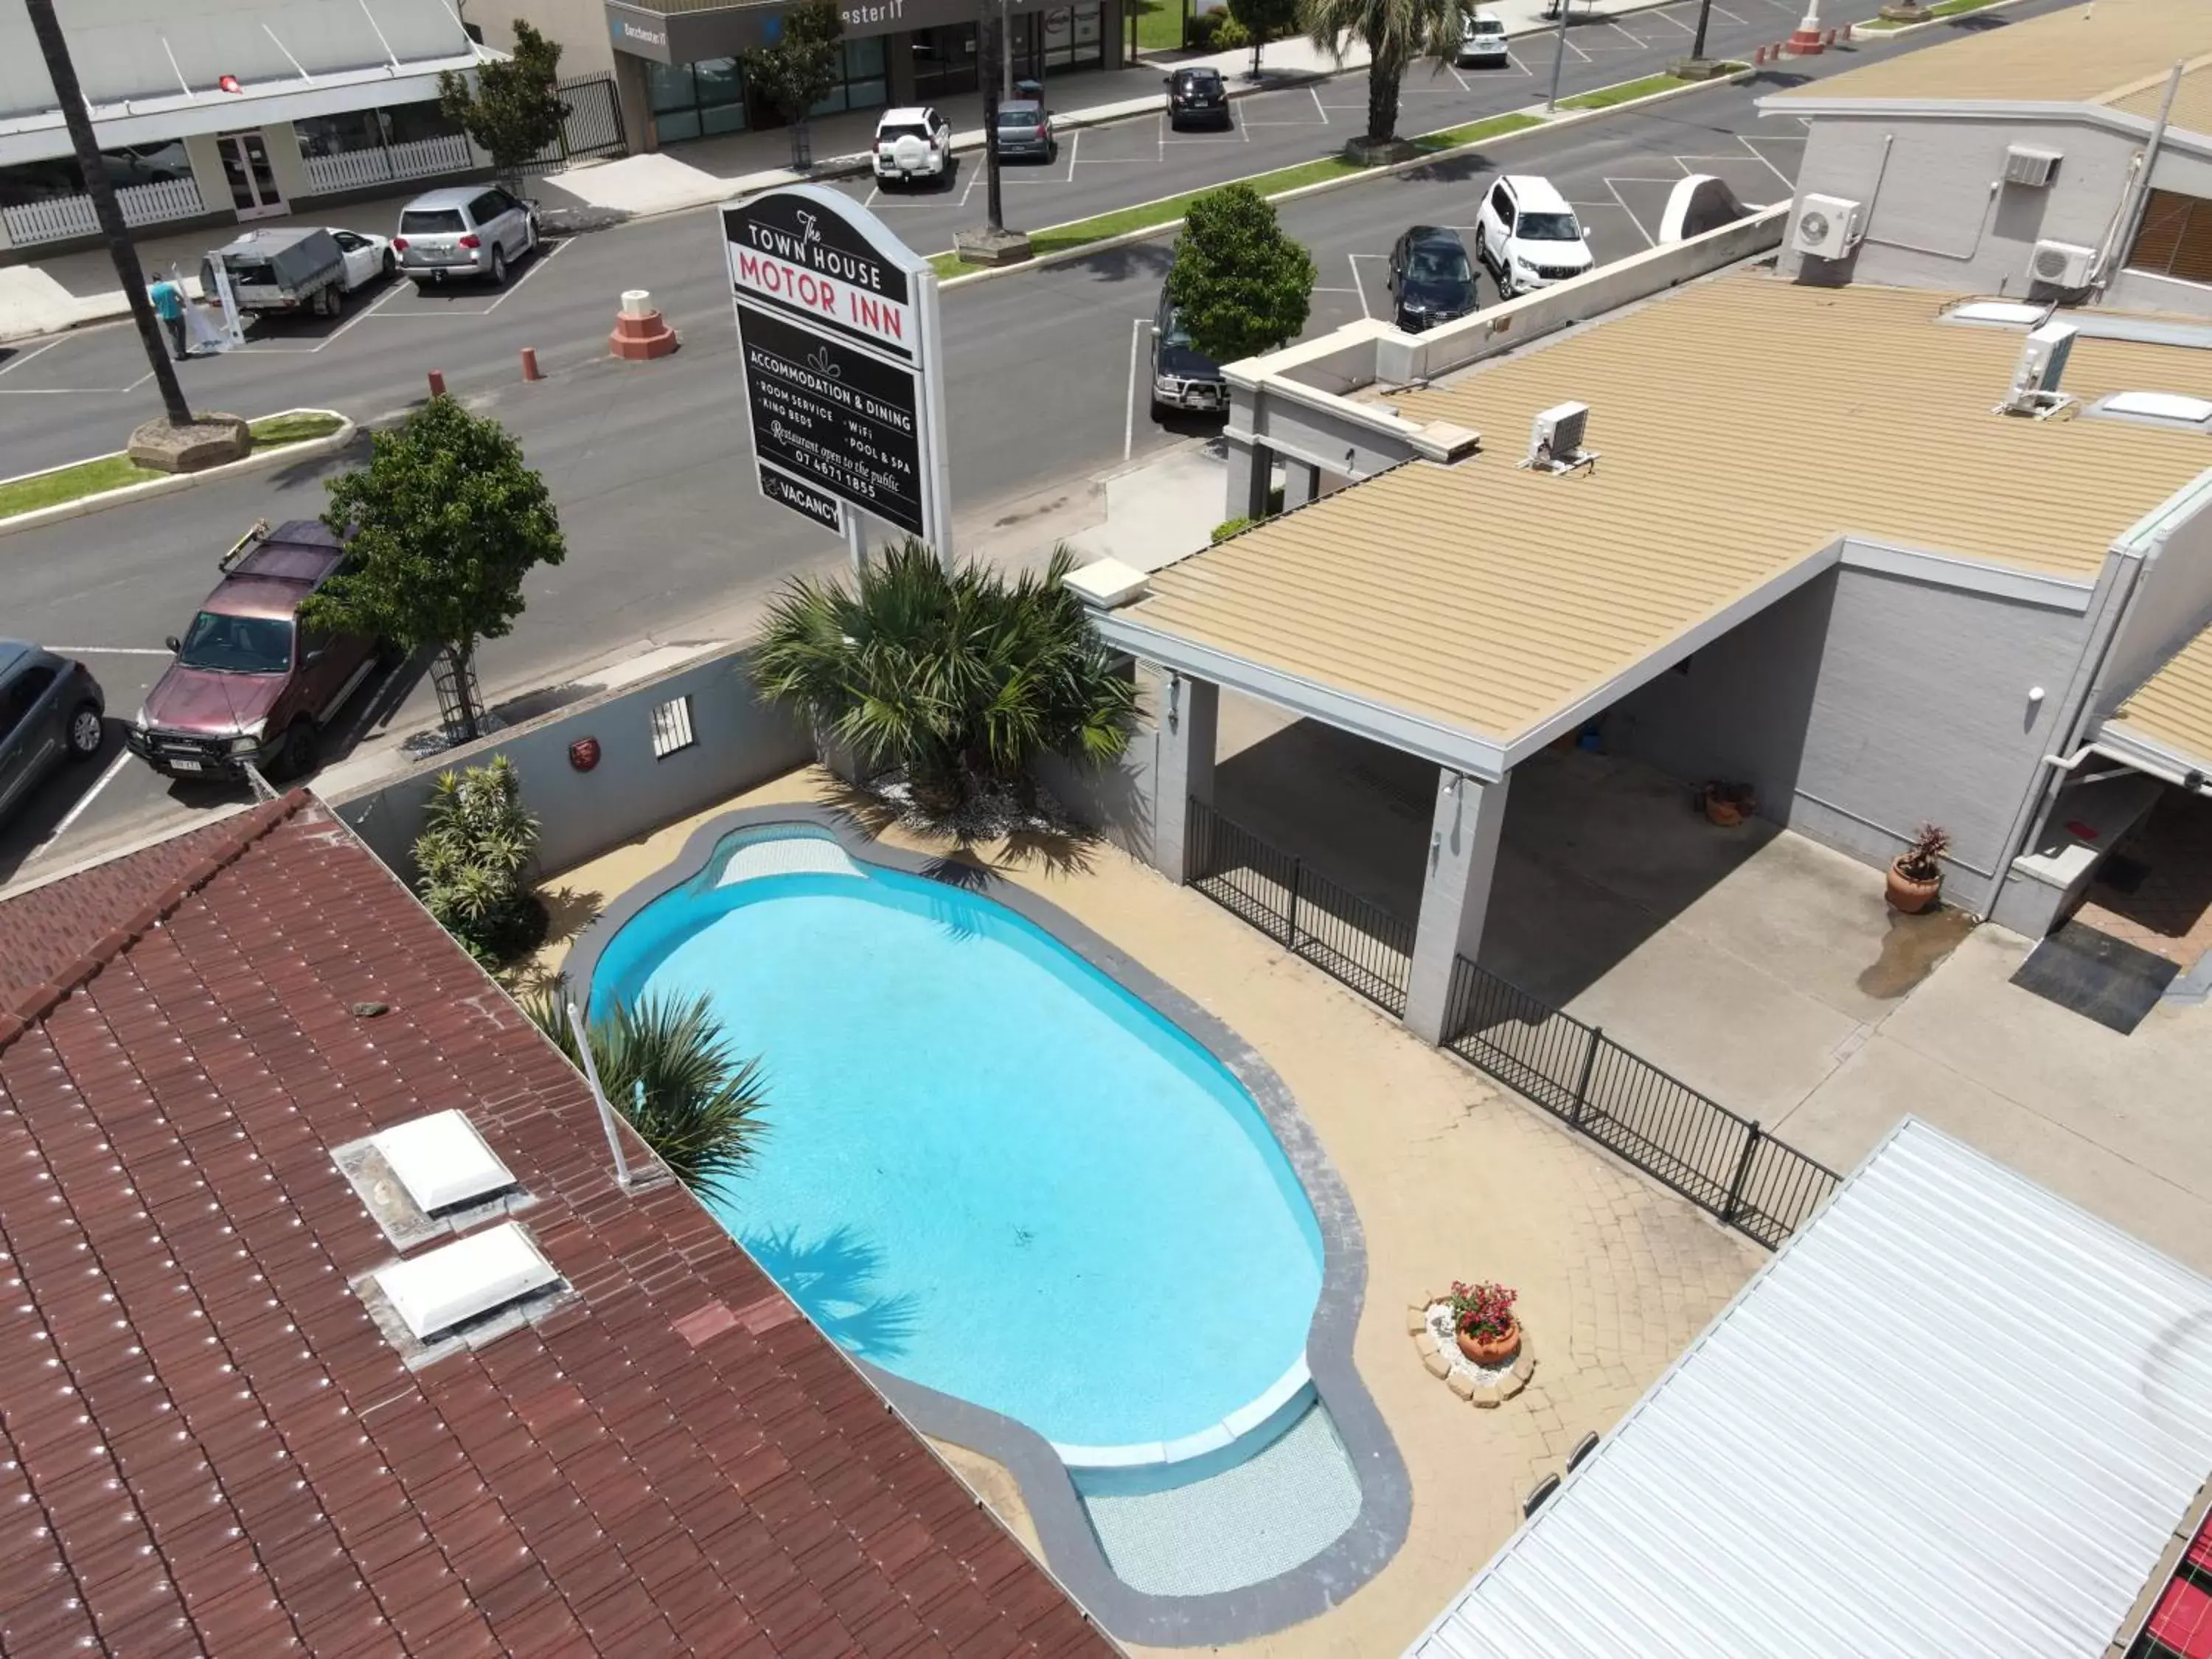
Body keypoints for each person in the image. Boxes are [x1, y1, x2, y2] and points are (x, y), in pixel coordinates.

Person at [148, 271, 187, 359]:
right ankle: (184, 350)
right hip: (177, 313)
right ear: (160, 278)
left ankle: (179, 353)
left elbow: (156, 304)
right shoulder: (169, 287)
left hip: (166, 315)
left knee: (173, 334)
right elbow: (180, 297)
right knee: (182, 332)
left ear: (153, 280)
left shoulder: (153, 292)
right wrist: (181, 305)